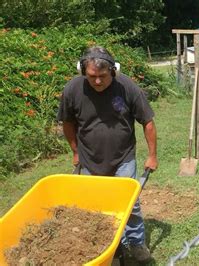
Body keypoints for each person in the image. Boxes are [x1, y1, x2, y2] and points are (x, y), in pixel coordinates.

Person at [57, 46, 157, 263]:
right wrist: (75, 152)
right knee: (93, 207)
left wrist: (152, 155)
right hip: (89, 160)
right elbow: (67, 123)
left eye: (103, 76)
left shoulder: (127, 87)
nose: (98, 82)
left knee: (130, 205)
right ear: (83, 71)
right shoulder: (73, 89)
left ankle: (136, 244)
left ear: (114, 71)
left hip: (123, 157)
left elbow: (147, 122)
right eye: (92, 77)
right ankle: (106, 250)